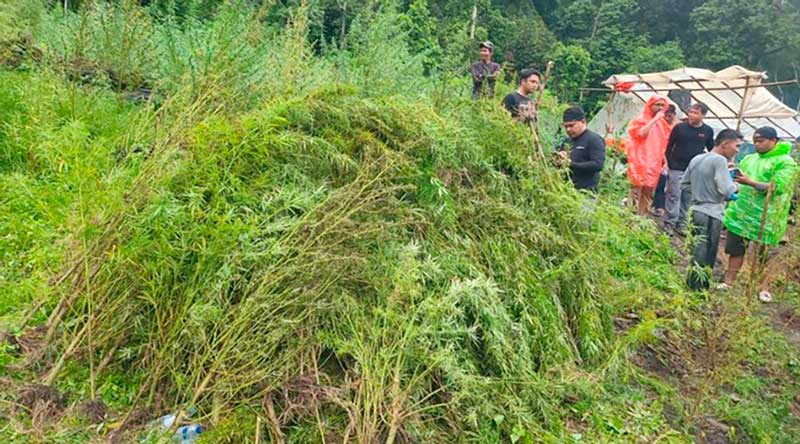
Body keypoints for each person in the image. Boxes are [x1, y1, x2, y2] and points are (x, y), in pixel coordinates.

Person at [721, 127, 798, 301]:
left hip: (768, 216)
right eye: (755, 141)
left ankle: (762, 288)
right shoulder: (749, 159)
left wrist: (750, 182)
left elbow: (777, 187)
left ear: (774, 141)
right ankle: (729, 282)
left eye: (761, 141)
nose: (757, 144)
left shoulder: (785, 162)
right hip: (742, 213)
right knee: (736, 249)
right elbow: (741, 180)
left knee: (763, 255)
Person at [681, 129, 743, 290]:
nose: (737, 150)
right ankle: (698, 290)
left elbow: (684, 184)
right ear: (725, 144)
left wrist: (701, 193)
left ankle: (691, 286)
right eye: (737, 146)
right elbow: (726, 189)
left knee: (696, 251)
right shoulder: (719, 161)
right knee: (706, 253)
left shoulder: (697, 158)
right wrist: (737, 186)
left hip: (696, 210)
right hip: (711, 213)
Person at [664, 103, 715, 233]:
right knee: (674, 195)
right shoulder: (680, 128)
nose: (691, 115)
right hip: (677, 167)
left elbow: (712, 149)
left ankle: (681, 224)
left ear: (703, 115)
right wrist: (669, 163)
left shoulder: (707, 131)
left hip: (694, 170)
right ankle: (669, 223)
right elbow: (669, 146)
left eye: (696, 113)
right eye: (691, 112)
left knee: (688, 198)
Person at [627, 95, 672, 215]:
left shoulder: (662, 124)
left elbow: (663, 144)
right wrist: (655, 120)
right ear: (650, 105)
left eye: (662, 105)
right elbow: (641, 133)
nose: (660, 108)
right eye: (657, 105)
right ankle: (630, 217)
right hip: (639, 161)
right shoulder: (640, 120)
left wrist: (665, 162)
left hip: (654, 163)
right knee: (636, 191)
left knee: (648, 192)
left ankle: (642, 218)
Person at [556, 106, 606, 192]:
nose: (568, 129)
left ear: (583, 122)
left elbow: (598, 164)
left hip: (586, 193)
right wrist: (558, 159)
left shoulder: (594, 139)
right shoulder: (567, 141)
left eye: (571, 125)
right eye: (566, 126)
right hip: (566, 190)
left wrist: (571, 164)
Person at [653, 105, 679, 216]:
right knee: (661, 182)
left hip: (675, 158)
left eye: (669, 116)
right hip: (661, 156)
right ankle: (659, 206)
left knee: (672, 187)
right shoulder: (660, 125)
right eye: (665, 116)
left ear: (674, 115)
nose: (667, 118)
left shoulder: (678, 127)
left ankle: (666, 208)